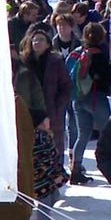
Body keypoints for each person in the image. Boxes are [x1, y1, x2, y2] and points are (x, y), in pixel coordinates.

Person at [68, 22, 111, 185]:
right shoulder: (100, 54)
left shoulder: (78, 52)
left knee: (82, 135)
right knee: (107, 132)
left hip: (78, 98)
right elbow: (107, 76)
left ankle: (75, 169)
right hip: (96, 97)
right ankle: (110, 166)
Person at [20, 26, 71, 158]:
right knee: (32, 147)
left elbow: (66, 86)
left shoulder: (56, 62)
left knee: (54, 145)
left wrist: (58, 105)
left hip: (52, 110)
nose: (37, 42)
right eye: (35, 40)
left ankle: (57, 169)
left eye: (41, 40)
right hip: (30, 110)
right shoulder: (24, 62)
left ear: (48, 44)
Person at [29, 108, 67, 220]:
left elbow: (52, 157)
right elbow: (42, 159)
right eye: (46, 119)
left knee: (55, 196)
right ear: (40, 122)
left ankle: (38, 219)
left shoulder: (45, 135)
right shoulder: (38, 138)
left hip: (49, 176)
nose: (49, 120)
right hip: (41, 178)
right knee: (44, 203)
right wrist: (54, 175)